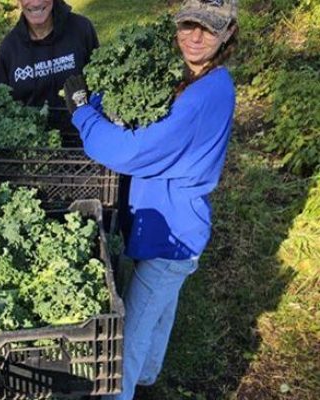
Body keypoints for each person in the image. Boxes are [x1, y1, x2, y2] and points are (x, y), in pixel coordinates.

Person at [63, 1, 239, 398]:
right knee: (159, 311)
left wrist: (82, 112)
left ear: (228, 33)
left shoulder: (205, 95)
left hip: (172, 234)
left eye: (208, 29)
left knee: (127, 337)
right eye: (188, 24)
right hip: (171, 223)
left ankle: (118, 391)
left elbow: (131, 152)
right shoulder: (193, 76)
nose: (195, 37)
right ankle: (149, 378)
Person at [0, 0, 99, 108]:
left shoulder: (81, 29)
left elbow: (101, 84)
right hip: (31, 124)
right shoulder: (9, 49)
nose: (35, 3)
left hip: (84, 122)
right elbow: (1, 106)